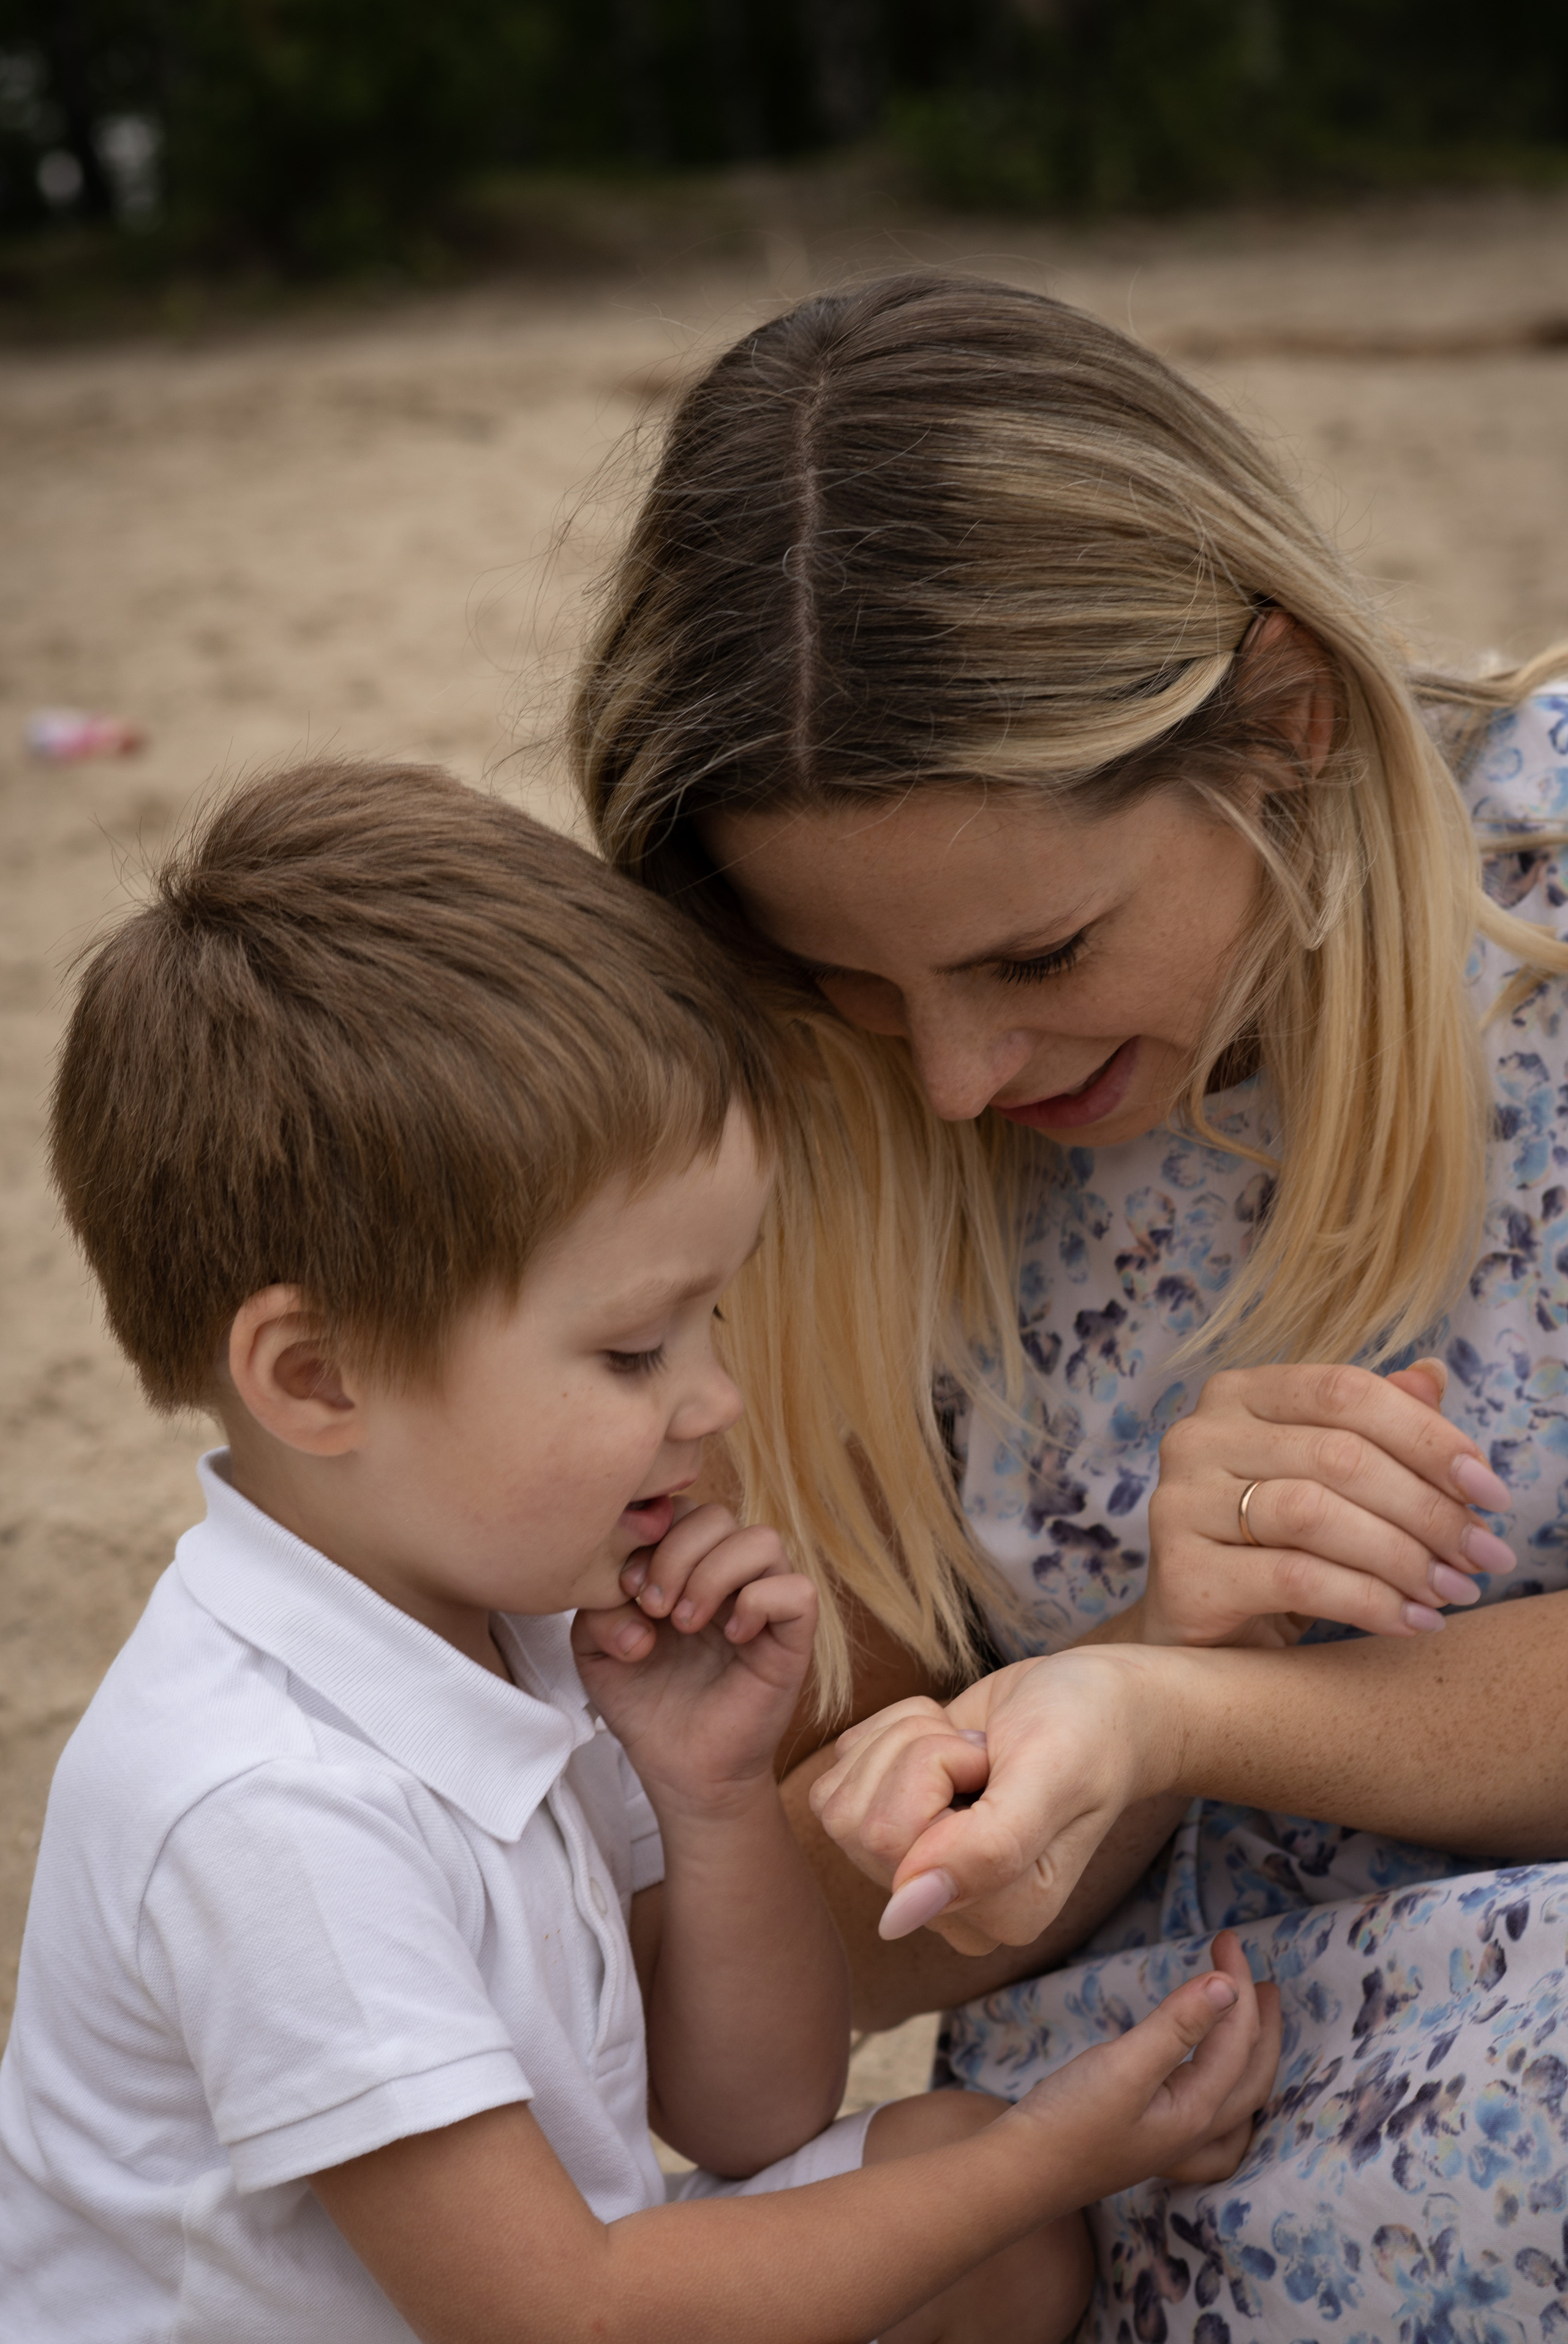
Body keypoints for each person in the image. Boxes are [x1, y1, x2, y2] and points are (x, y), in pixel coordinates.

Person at [569, 272, 1568, 2338]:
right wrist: (1115, 1679)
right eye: (853, 976)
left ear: (1283, 714)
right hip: (1094, 2204)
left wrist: (1189, 1711)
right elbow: (797, 1984)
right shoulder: (781, 1140)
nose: (951, 1078)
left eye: (1038, 952)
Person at [0, 758, 1278, 2344]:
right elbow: (573, 2317)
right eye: (630, 1353)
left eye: (713, 1317)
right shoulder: (271, 1807)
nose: (716, 1399)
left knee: (972, 2232)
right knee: (990, 2197)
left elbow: (746, 2110)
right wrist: (1047, 2154)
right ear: (317, 1377)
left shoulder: (507, 1611)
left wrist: (717, 1792)